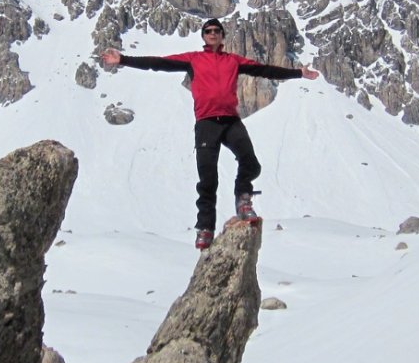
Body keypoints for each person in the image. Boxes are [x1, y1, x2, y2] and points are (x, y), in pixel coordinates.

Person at [101, 18, 319, 249]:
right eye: (208, 31)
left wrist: (298, 73)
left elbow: (264, 70)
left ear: (222, 36)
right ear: (204, 36)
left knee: (251, 163)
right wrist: (123, 59)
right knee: (208, 179)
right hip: (206, 124)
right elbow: (158, 63)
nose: (212, 33)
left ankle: (243, 200)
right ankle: (205, 228)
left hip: (230, 121)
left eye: (216, 31)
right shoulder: (193, 60)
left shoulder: (233, 61)